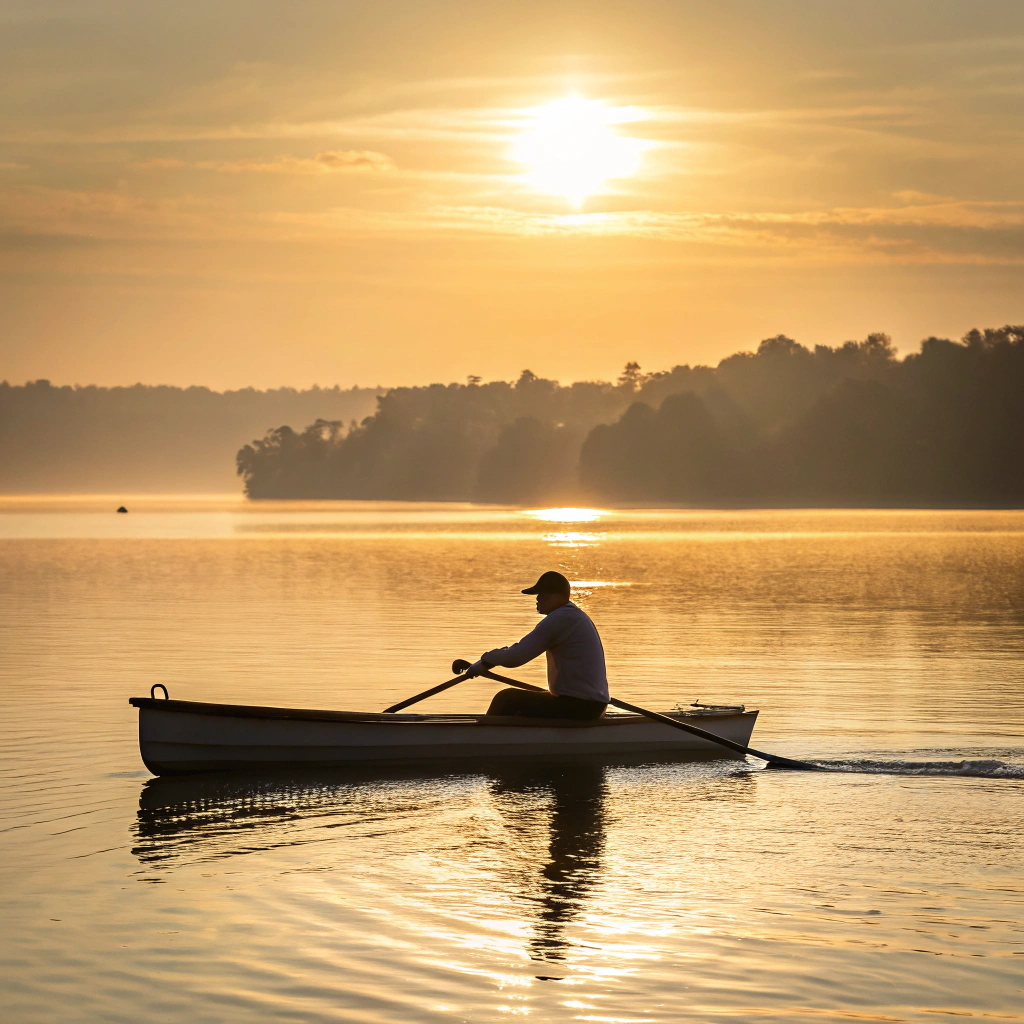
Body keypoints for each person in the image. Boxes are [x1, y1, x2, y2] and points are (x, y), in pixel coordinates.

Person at [466, 571, 609, 720]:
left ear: (555, 595)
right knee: (516, 701)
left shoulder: (561, 619)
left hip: (581, 707)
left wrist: (486, 660)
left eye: (541, 594)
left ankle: (484, 739)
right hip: (591, 705)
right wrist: (487, 663)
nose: (537, 598)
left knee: (506, 699)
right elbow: (515, 651)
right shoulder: (572, 616)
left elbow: (516, 657)